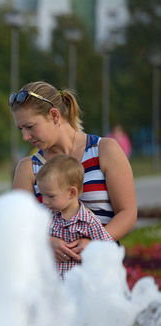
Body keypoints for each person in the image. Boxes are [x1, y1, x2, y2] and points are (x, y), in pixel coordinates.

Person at [11, 81, 137, 266]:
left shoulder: (104, 150)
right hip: (50, 282)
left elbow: (127, 213)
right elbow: (19, 227)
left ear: (54, 115)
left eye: (30, 127)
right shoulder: (28, 168)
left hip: (100, 276)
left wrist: (95, 243)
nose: (25, 136)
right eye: (21, 129)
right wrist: (46, 242)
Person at [35, 154, 114, 279]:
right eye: (42, 194)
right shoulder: (44, 216)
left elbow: (108, 248)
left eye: (50, 196)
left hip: (78, 286)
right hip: (49, 285)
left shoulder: (88, 221)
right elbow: (30, 238)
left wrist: (92, 248)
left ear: (72, 193)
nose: (44, 201)